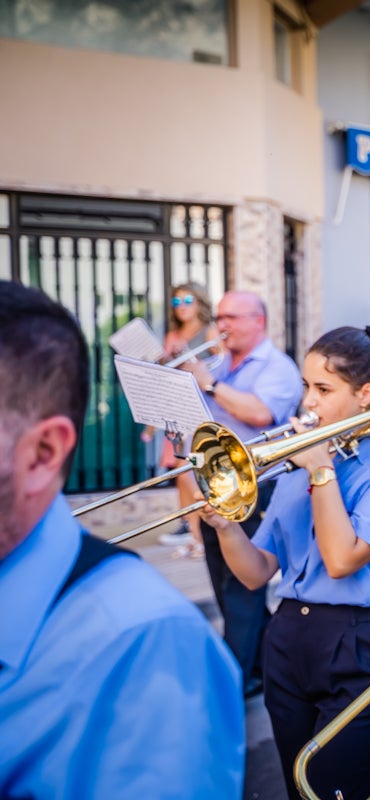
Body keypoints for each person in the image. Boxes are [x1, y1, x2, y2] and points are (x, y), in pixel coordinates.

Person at [0, 281, 244, 798]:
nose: (183, 308)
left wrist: (202, 376)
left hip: (214, 442)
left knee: (193, 492)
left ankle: (198, 537)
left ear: (44, 453)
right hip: (185, 432)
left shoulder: (144, 643)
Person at [202, 324, 370, 800]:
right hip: (287, 640)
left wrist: (321, 469)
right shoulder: (299, 464)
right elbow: (256, 570)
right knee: (297, 788)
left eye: (323, 389)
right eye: (306, 387)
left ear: (365, 394)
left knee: (334, 791)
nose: (309, 402)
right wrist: (225, 525)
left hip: (358, 642)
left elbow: (342, 559)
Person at [177, 291, 303, 697]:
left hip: (258, 489)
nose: (223, 323)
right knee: (224, 584)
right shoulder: (219, 364)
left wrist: (209, 384)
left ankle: (234, 680)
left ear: (258, 321)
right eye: (221, 316)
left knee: (243, 590)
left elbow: (260, 413)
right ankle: (267, 666)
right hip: (217, 486)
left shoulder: (277, 367)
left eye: (232, 316)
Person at [154, 282, 222, 557]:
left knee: (194, 471)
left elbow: (222, 365)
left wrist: (191, 359)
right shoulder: (173, 334)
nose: (182, 307)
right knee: (182, 473)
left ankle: (202, 535)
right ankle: (192, 530)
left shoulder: (210, 331)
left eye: (188, 300)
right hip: (178, 406)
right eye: (176, 302)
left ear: (200, 301)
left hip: (202, 407)